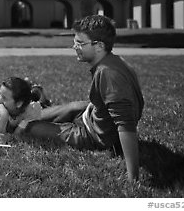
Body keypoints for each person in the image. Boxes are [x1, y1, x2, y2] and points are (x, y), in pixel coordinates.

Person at [24, 15, 144, 181]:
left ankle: (28, 112)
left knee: (29, 128)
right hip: (93, 114)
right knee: (71, 107)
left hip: (94, 136)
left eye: (80, 43)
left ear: (99, 46)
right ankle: (41, 106)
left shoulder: (108, 74)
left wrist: (133, 178)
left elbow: (126, 126)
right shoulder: (113, 61)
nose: (74, 47)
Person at [0, 77, 45, 144]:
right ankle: (33, 88)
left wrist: (7, 139)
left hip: (37, 109)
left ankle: (39, 94)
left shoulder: (31, 110)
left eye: (4, 98)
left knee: (46, 112)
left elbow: (18, 135)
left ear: (19, 103)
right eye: (0, 94)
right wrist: (4, 116)